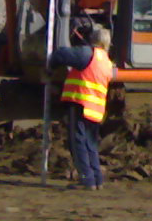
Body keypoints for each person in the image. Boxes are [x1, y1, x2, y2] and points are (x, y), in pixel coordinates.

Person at [48, 26, 115, 190]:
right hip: (96, 109)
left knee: (77, 141)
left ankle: (86, 178)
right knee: (90, 144)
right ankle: (96, 179)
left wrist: (51, 66)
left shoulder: (87, 54)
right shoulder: (107, 62)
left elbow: (61, 54)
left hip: (80, 103)